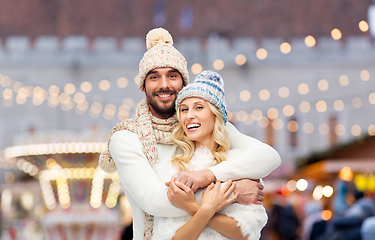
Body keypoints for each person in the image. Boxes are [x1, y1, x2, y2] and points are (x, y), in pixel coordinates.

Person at [99, 28, 281, 240]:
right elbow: (154, 199)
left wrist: (207, 176)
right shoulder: (127, 137)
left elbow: (269, 157)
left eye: (172, 76)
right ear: (143, 86)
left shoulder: (199, 125)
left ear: (183, 83)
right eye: (154, 77)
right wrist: (233, 191)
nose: (164, 84)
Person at [151, 70, 269, 240]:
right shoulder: (171, 167)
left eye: (199, 107)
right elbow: (170, 237)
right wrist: (208, 208)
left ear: (216, 114)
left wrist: (192, 207)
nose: (189, 115)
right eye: (184, 110)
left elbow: (245, 232)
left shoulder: (240, 164)